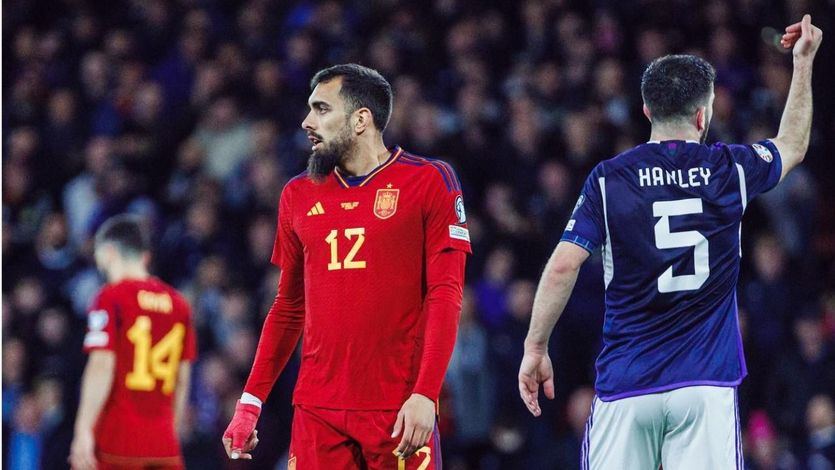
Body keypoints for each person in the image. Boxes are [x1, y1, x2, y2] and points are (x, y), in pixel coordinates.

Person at [518, 15, 822, 470]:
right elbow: (792, 144)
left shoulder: (609, 179)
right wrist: (802, 63)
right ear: (704, 113)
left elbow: (563, 266)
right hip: (705, 385)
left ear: (645, 110)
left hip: (627, 385)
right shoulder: (730, 170)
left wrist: (536, 348)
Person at [221, 63, 471, 469]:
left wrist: (426, 393)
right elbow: (288, 308)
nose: (306, 122)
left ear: (360, 120)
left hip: (397, 408)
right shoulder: (297, 194)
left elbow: (445, 294)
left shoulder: (430, 181)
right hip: (317, 411)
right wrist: (251, 401)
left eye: (321, 109)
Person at [69, 215, 197, 470]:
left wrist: (83, 429)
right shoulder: (179, 304)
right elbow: (182, 378)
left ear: (108, 252)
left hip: (117, 441)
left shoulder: (110, 298)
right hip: (163, 444)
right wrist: (170, 430)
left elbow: (102, 365)